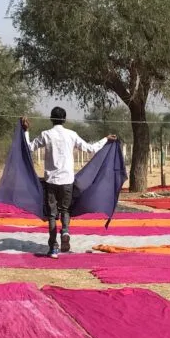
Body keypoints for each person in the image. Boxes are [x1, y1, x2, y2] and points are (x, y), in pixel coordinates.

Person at [21, 108, 116, 259]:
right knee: (65, 210)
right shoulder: (71, 135)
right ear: (64, 120)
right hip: (67, 180)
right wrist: (105, 139)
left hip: (51, 180)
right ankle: (65, 230)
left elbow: (29, 147)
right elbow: (90, 149)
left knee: (52, 215)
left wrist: (25, 130)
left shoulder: (46, 134)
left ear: (51, 119)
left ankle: (53, 248)